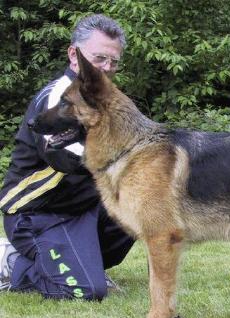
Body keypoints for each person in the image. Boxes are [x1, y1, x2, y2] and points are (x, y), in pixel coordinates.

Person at [0, 14, 134, 299]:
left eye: (113, 62)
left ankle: (77, 261)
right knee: (85, 291)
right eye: (99, 59)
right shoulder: (58, 96)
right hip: (36, 212)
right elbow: (62, 155)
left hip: (79, 207)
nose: (106, 68)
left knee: (134, 209)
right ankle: (13, 262)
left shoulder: (102, 98)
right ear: (74, 54)